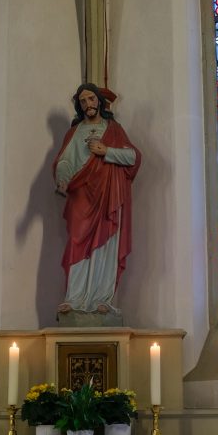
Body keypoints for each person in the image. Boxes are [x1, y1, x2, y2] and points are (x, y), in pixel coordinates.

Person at [53, 83, 141, 319]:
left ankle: (102, 299)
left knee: (107, 246)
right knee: (76, 242)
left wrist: (106, 150)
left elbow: (133, 156)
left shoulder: (113, 129)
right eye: (83, 101)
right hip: (81, 194)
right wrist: (62, 179)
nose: (88, 104)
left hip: (108, 194)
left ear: (99, 101)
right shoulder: (75, 132)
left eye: (91, 99)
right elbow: (65, 161)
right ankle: (74, 298)